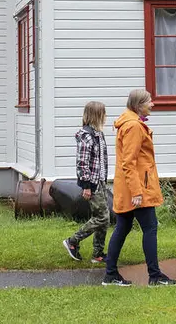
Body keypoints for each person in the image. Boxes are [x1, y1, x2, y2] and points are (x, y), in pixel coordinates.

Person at [103, 89, 176, 287]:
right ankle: (155, 276)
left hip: (130, 187)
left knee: (122, 228)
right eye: (149, 101)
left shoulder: (129, 123)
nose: (152, 104)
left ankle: (110, 275)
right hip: (137, 189)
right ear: (138, 105)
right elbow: (129, 162)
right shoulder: (134, 126)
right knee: (150, 228)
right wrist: (137, 192)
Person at [63, 101, 110, 263]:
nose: (105, 117)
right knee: (102, 218)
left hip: (100, 180)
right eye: (103, 113)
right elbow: (82, 163)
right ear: (97, 115)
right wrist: (86, 186)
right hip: (92, 183)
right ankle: (72, 241)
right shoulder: (86, 136)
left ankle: (98, 253)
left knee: (104, 217)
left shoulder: (98, 134)